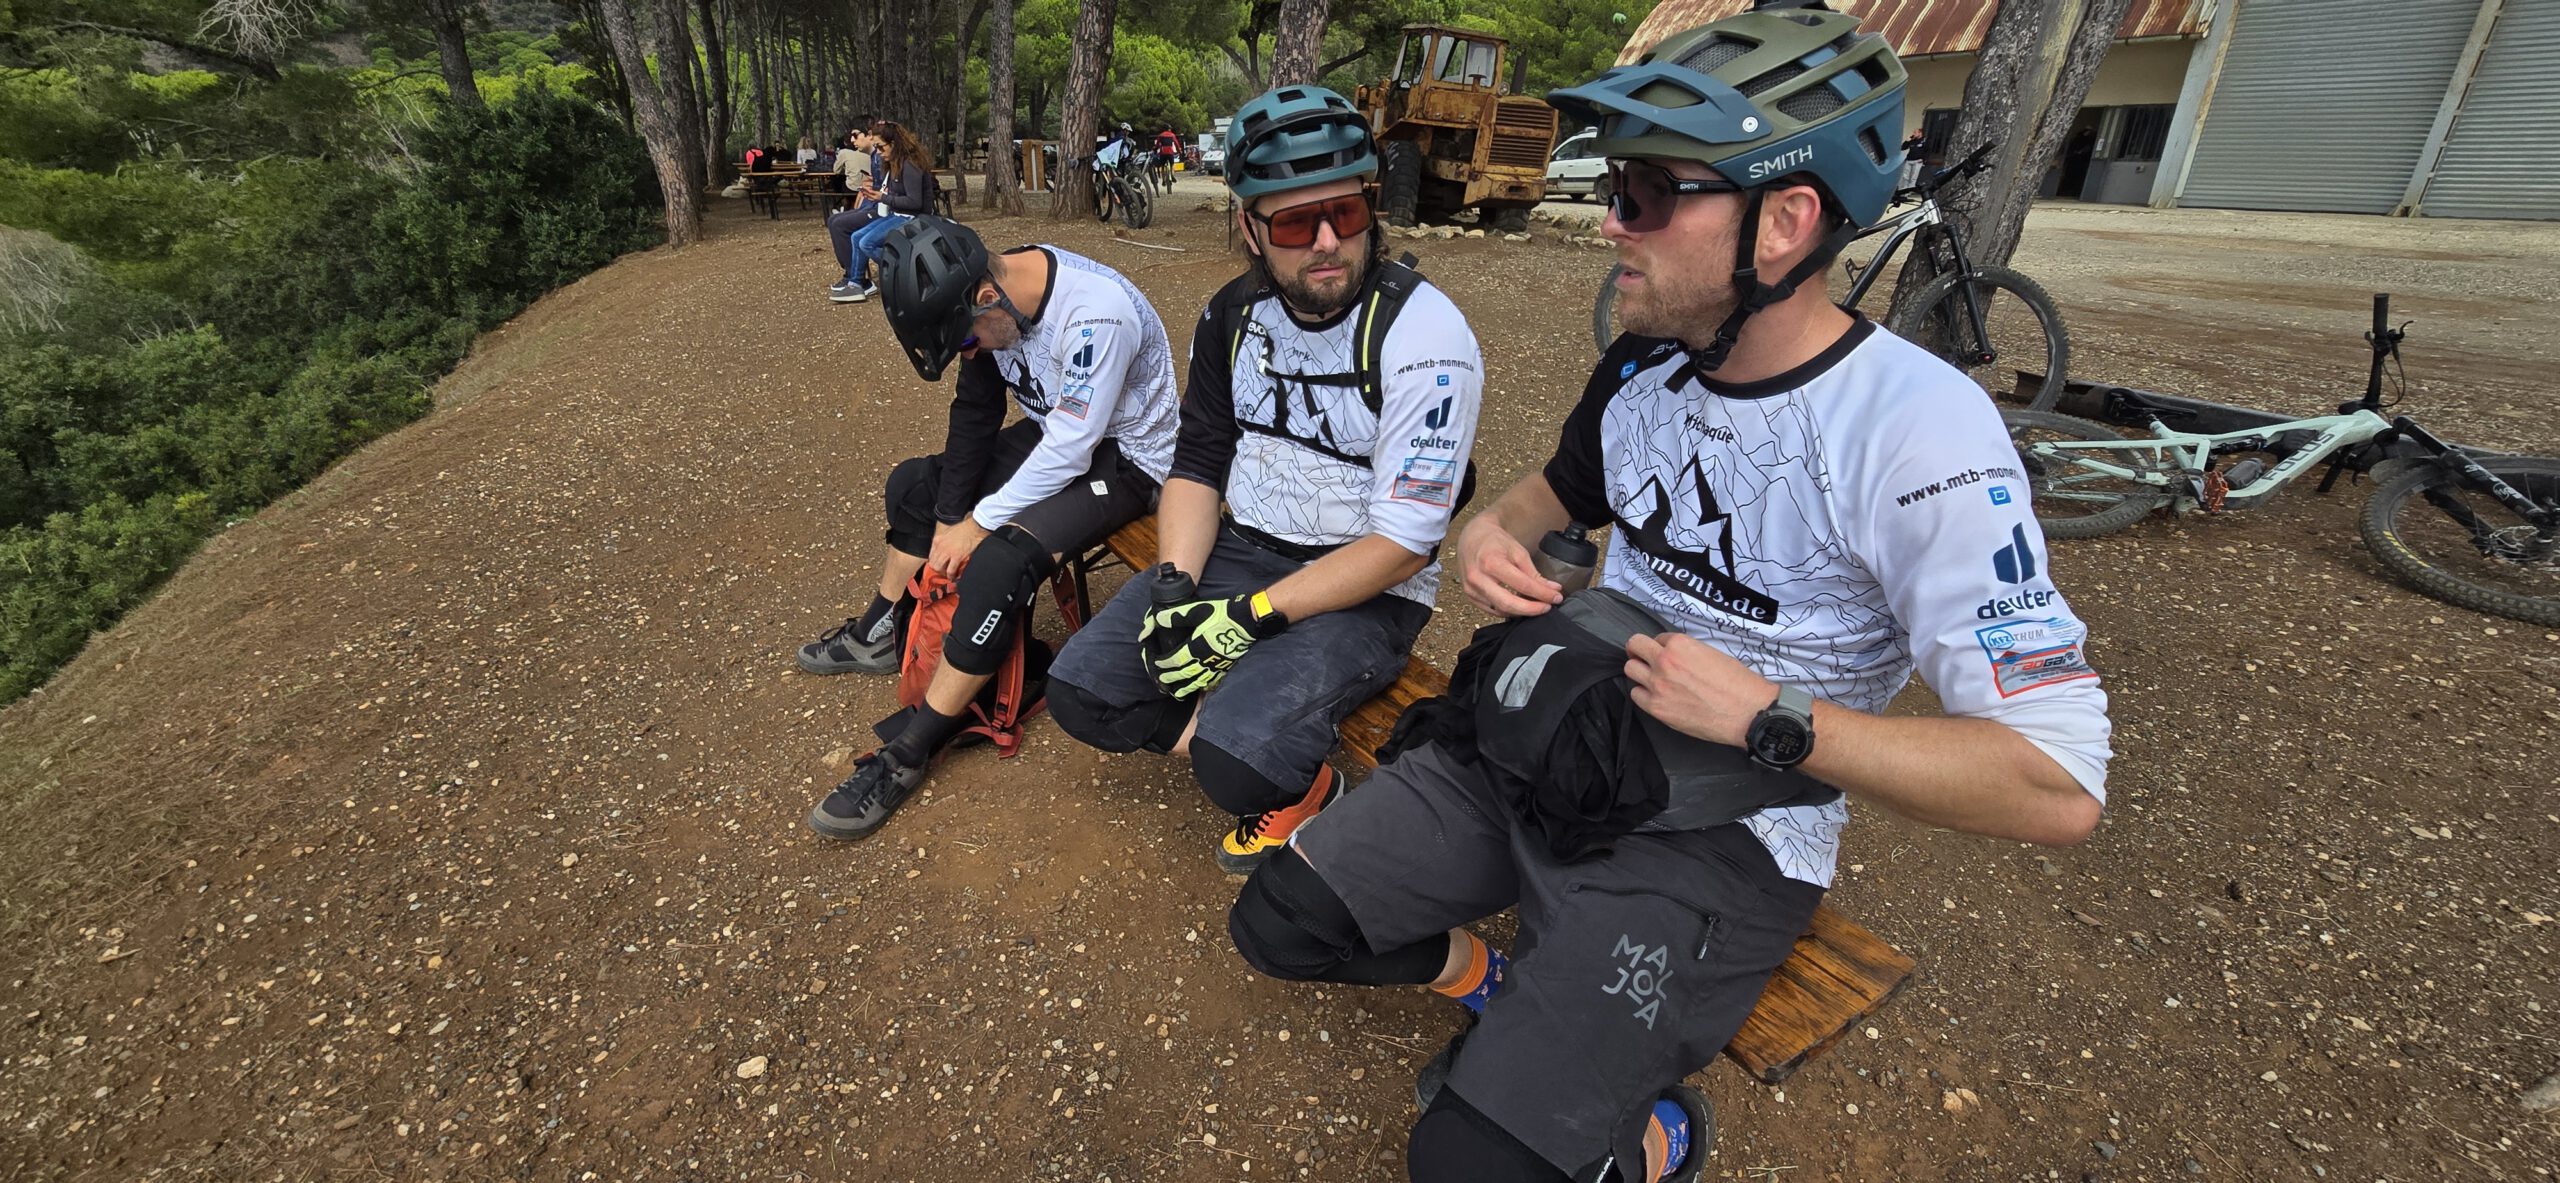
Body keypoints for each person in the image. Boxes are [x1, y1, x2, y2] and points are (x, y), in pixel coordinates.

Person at [1218, 8, 2116, 1183]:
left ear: (1785, 221)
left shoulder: (1921, 434)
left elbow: (2056, 786)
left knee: (1464, 1166)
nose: (1608, 221)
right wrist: (1494, 541)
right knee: (1279, 921)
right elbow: (1532, 505)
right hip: (1552, 737)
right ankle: (1497, 993)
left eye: (1646, 192)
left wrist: (1770, 717)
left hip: (1723, 831)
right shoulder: (1644, 365)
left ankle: (1657, 1133)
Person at [1045, 85, 1484, 874]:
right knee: (1079, 692)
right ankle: (1241, 714)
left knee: (1236, 768)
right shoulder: (1231, 316)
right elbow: (1200, 461)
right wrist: (1177, 586)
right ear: (1248, 227)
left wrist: (1250, 617)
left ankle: (1299, 773)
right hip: (1240, 549)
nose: (1326, 243)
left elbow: (1408, 542)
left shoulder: (1425, 336)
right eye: (1292, 222)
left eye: (1346, 215)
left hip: (1364, 586)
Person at [800, 215, 1182, 840]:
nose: (972, 354)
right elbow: (976, 410)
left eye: (970, 343)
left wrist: (978, 525)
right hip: (1058, 432)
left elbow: (1072, 448)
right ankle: (879, 628)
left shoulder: (1095, 313)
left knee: (1004, 560)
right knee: (915, 486)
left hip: (1128, 458)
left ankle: (910, 752)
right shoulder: (988, 305)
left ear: (986, 295)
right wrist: (951, 517)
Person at [838, 121, 936, 304]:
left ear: (894, 143)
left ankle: (906, 272)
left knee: (867, 243)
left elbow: (915, 202)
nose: (879, 152)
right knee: (856, 237)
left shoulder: (911, 165)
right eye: (876, 147)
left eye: (881, 147)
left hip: (914, 217)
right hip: (897, 214)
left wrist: (882, 198)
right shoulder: (893, 162)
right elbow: (896, 194)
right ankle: (856, 284)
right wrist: (877, 194)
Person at [825, 125, 887, 300]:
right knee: (834, 220)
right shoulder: (873, 157)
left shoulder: (882, 157)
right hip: (872, 206)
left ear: (869, 135)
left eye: (855, 135)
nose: (852, 140)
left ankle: (857, 279)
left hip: (882, 210)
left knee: (839, 224)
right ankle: (853, 275)